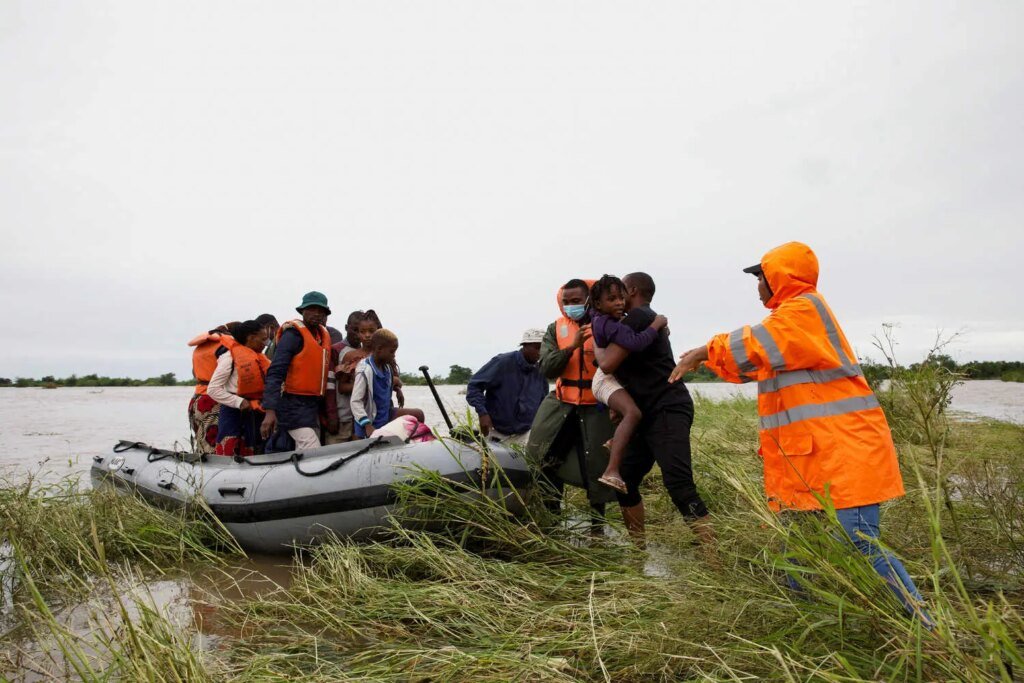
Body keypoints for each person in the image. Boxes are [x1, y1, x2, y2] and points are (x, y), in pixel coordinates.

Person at [668, 241, 929, 620]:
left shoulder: (803, 312)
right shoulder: (790, 326)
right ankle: (805, 617)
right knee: (799, 544)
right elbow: (747, 365)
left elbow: (752, 344)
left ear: (777, 278)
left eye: (760, 279)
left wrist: (703, 351)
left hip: (844, 453)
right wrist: (709, 359)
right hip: (813, 458)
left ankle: (923, 624)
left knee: (859, 543)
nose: (757, 288)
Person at [595, 272, 713, 546]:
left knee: (679, 486)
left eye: (620, 292)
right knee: (624, 479)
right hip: (647, 412)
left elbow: (607, 363)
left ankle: (714, 560)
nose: (617, 299)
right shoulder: (635, 322)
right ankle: (639, 552)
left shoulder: (639, 318)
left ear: (632, 290)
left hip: (667, 408)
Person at [526, 279, 617, 521]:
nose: (570, 306)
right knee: (543, 458)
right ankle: (551, 518)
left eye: (576, 301)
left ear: (589, 300)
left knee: (597, 466)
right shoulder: (554, 329)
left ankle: (597, 527)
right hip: (562, 404)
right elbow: (547, 368)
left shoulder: (609, 324)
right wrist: (572, 347)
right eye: (566, 302)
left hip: (597, 406)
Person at [588, 275, 669, 493]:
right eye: (612, 299)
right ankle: (611, 471)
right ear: (598, 303)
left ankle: (615, 442)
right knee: (633, 413)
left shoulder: (601, 317)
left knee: (626, 414)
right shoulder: (612, 325)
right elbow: (636, 342)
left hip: (613, 378)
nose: (619, 303)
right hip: (605, 379)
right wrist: (657, 324)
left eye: (620, 298)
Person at [260, 292, 334, 451]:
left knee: (305, 447)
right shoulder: (292, 335)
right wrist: (270, 411)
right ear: (302, 312)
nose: (316, 314)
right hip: (291, 404)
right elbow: (275, 373)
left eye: (321, 311)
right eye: (311, 309)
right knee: (311, 447)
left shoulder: (322, 336)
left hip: (311, 406)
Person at [466, 328, 549, 445]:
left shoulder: (541, 371)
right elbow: (474, 386)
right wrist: (482, 413)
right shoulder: (502, 362)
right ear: (525, 345)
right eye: (537, 348)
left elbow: (543, 402)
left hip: (526, 434)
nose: (540, 352)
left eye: (544, 349)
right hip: (496, 432)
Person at [207, 320, 270, 456]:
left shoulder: (260, 358)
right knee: (232, 448)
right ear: (251, 338)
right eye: (264, 339)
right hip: (233, 411)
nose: (267, 343)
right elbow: (213, 389)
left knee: (258, 447)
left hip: (257, 410)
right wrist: (239, 402)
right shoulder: (229, 357)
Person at [351, 329, 424, 438]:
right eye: (392, 352)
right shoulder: (365, 370)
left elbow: (385, 385)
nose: (394, 355)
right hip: (371, 421)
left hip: (386, 414)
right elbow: (355, 402)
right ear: (379, 349)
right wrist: (367, 425)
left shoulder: (387, 368)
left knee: (418, 414)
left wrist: (398, 390)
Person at [186, 321, 239, 454]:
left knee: (202, 441)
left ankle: (197, 472)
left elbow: (194, 373)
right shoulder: (226, 346)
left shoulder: (201, 346)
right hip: (214, 401)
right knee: (213, 445)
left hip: (197, 400)